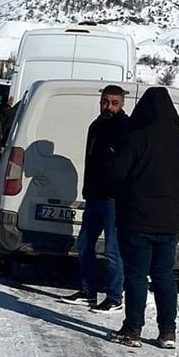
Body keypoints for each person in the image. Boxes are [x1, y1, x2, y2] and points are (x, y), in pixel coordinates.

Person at [110, 87, 179, 349]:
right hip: (170, 221)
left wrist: (130, 195)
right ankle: (167, 332)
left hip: (136, 219)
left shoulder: (136, 139)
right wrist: (175, 196)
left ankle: (132, 330)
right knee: (164, 275)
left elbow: (117, 175)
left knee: (137, 275)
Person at [61, 85, 129, 313]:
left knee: (112, 250)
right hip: (94, 197)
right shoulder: (96, 126)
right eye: (105, 101)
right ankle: (87, 291)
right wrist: (88, 188)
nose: (108, 106)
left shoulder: (126, 128)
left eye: (114, 102)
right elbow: (91, 161)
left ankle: (114, 296)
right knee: (84, 244)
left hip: (114, 199)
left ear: (121, 104)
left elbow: (126, 166)